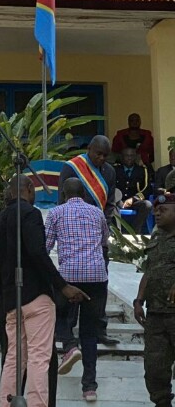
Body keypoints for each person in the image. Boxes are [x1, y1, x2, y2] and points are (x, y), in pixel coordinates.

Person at [0, 175, 85, 407]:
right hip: (36, 297)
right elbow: (38, 253)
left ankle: (6, 404)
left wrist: (8, 282)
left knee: (13, 358)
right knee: (39, 357)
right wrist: (62, 286)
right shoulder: (31, 214)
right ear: (29, 188)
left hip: (10, 299)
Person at [45, 178, 110, 403]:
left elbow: (45, 247)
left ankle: (70, 346)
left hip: (69, 278)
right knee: (90, 332)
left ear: (63, 195)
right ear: (84, 194)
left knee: (58, 316)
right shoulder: (97, 212)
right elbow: (104, 241)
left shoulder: (55, 213)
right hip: (96, 277)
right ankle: (89, 387)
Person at [58, 135, 119, 346]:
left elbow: (109, 203)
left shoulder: (109, 172)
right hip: (74, 236)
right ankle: (67, 331)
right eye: (98, 154)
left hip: (97, 236)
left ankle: (99, 329)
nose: (101, 158)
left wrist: (104, 227)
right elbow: (61, 201)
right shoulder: (72, 168)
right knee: (71, 285)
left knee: (100, 286)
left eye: (105, 155)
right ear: (89, 149)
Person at [134, 193, 175, 407]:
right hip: (156, 314)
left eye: (163, 210)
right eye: (156, 211)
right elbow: (148, 272)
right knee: (154, 367)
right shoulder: (156, 238)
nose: (157, 214)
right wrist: (138, 301)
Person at [115, 147, 153, 234]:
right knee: (111, 204)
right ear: (122, 157)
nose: (129, 158)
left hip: (135, 201)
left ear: (135, 157)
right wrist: (118, 199)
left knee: (147, 205)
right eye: (126, 155)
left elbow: (147, 189)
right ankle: (118, 231)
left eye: (131, 155)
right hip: (119, 201)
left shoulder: (142, 170)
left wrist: (133, 199)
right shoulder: (115, 170)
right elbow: (111, 187)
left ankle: (134, 231)